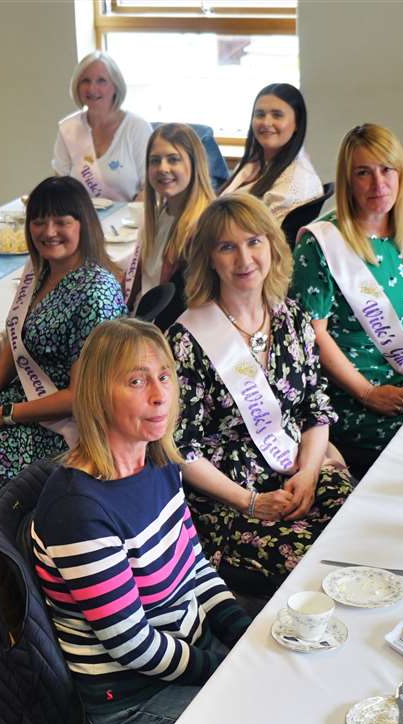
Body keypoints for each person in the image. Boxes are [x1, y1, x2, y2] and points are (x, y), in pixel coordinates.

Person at [31, 318, 324, 724]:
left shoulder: (155, 460)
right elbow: (131, 646)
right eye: (136, 381)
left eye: (164, 376)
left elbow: (193, 565)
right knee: (274, 716)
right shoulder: (78, 509)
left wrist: (241, 631)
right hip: (132, 693)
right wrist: (224, 669)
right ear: (96, 393)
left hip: (184, 650)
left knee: (296, 671)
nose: (160, 394)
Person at [0, 176, 126, 568]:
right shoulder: (41, 272)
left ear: (83, 223)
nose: (49, 232)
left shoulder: (96, 290)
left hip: (66, 426)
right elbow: (11, 342)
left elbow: (83, 395)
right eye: (39, 222)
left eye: (62, 221)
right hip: (26, 402)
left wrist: (3, 415)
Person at [166, 195, 350, 590]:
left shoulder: (293, 319)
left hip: (295, 471)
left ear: (271, 246)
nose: (244, 258)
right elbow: (181, 450)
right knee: (314, 567)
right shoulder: (187, 340)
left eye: (254, 242)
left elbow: (315, 408)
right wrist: (249, 502)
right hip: (228, 499)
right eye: (226, 247)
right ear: (210, 259)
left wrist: (310, 472)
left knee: (359, 529)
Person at [290, 124, 403, 475]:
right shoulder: (320, 243)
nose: (379, 184)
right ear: (348, 182)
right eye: (363, 173)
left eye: (387, 169)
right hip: (351, 398)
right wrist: (369, 393)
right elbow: (313, 335)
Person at [129, 123, 214, 309]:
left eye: (173, 159)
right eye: (155, 160)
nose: (162, 168)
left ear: (194, 163)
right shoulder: (161, 214)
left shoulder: (203, 229)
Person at [51, 51, 152, 203]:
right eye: (85, 81)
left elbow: (152, 188)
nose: (92, 89)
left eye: (101, 81)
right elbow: (60, 186)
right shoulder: (68, 128)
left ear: (116, 86)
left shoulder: (137, 128)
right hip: (80, 220)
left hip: (128, 222)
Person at [219, 84, 322, 217]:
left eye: (277, 115)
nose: (266, 122)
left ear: (297, 123)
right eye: (260, 114)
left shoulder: (296, 183)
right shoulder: (256, 161)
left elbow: (271, 236)